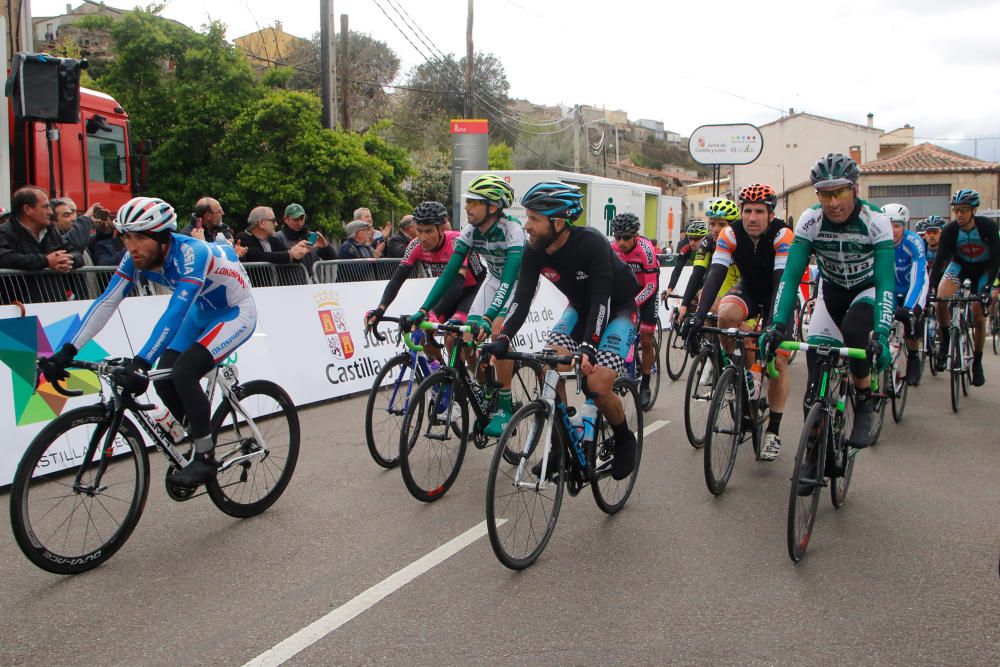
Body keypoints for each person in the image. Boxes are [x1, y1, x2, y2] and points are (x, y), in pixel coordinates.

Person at [40, 196, 257, 489]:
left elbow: (174, 313)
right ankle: (193, 431)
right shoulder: (134, 258)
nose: (131, 246)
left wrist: (141, 362)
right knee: (164, 377)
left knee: (184, 371)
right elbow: (106, 302)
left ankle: (205, 457)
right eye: (127, 237)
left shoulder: (192, 253)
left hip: (235, 311)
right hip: (200, 312)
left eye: (140, 238)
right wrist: (65, 352)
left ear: (163, 238)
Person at [481, 181, 641, 480]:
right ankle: (561, 443)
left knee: (597, 385)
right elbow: (522, 299)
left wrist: (589, 346)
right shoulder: (535, 250)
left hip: (617, 309)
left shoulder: (590, 242)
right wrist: (503, 339)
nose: (527, 225)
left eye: (534, 219)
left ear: (557, 221)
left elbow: (601, 299)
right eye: (527, 217)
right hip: (580, 309)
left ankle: (623, 438)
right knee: (549, 365)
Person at [761, 153, 894, 465]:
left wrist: (884, 333)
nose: (833, 202)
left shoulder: (876, 222)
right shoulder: (811, 220)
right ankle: (813, 452)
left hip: (867, 290)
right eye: (825, 194)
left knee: (855, 332)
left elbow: (887, 281)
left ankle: (863, 399)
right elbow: (791, 276)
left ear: (854, 189)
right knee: (814, 382)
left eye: (840, 193)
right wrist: (777, 323)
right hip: (831, 294)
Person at [410, 173, 524, 437]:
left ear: (493, 207)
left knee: (496, 332)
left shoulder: (513, 231)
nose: (467, 207)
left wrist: (491, 315)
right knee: (462, 336)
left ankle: (505, 403)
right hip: (494, 280)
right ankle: (484, 385)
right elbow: (449, 273)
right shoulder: (470, 230)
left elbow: (509, 280)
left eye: (474, 202)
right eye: (468, 201)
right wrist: (424, 309)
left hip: (517, 283)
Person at [688, 184, 794, 461]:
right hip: (750, 289)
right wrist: (698, 316)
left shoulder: (783, 234)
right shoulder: (730, 233)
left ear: (771, 214)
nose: (752, 217)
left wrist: (773, 326)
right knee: (725, 314)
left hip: (778, 293)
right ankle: (742, 372)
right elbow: (715, 274)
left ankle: (773, 429)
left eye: (760, 211)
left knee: (778, 362)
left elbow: (780, 283)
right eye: (748, 211)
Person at [366, 201, 482, 353]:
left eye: (428, 231)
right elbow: (397, 280)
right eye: (419, 231)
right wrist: (380, 309)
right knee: (422, 334)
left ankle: (474, 375)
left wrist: (433, 312)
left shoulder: (456, 242)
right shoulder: (415, 245)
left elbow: (457, 285)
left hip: (472, 292)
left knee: (452, 339)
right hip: (447, 292)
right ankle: (438, 372)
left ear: (441, 229)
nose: (423, 238)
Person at [929, 189, 1000, 386]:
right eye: (956, 210)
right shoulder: (951, 231)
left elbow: (996, 260)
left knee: (978, 314)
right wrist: (929, 291)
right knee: (941, 299)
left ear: (973, 211)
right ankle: (944, 342)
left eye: (964, 210)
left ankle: (977, 362)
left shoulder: (987, 227)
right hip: (960, 266)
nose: (959, 214)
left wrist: (985, 290)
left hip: (984, 268)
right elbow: (940, 260)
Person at [0, 187, 84, 302]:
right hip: (20, 311)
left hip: (56, 305)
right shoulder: (4, 233)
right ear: (27, 209)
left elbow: (77, 253)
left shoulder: (52, 231)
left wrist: (66, 260)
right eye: (45, 207)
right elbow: (5, 258)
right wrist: (46, 261)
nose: (50, 212)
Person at [610, 212, 660, 407]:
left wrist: (633, 303)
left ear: (636, 236)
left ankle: (645, 383)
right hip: (626, 288)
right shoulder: (612, 248)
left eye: (626, 238)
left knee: (646, 338)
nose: (621, 242)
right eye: (618, 237)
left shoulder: (646, 250)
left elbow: (651, 286)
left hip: (646, 290)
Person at [883, 203, 927, 386]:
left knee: (910, 318)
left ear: (905, 226)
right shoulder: (880, 242)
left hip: (914, 285)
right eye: (888, 225)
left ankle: (914, 357)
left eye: (897, 226)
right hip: (893, 287)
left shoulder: (913, 242)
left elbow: (917, 279)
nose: (892, 230)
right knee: (884, 321)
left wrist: (909, 308)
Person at [680, 199, 741, 329]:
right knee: (706, 307)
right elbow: (697, 274)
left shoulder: (745, 239)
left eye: (721, 225)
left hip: (744, 277)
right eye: (712, 224)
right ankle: (710, 346)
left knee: (744, 331)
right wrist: (684, 305)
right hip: (726, 276)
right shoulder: (707, 241)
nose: (715, 230)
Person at [275, 203, 335, 277]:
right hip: (290, 285)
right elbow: (275, 262)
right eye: (295, 219)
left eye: (301, 219)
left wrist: (326, 246)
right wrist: (293, 254)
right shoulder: (278, 237)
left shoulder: (312, 236)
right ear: (286, 219)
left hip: (313, 284)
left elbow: (333, 258)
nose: (299, 223)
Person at [235, 206, 310, 264]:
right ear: (262, 223)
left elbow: (291, 257)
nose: (276, 224)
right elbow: (259, 257)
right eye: (273, 221)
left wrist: (299, 250)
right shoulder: (243, 238)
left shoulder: (273, 240)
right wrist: (291, 253)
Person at [661, 222, 708, 309]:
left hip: (710, 277)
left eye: (696, 239)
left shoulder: (711, 249)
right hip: (697, 278)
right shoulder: (686, 249)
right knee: (687, 308)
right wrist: (670, 288)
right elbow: (677, 269)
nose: (692, 243)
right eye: (690, 239)